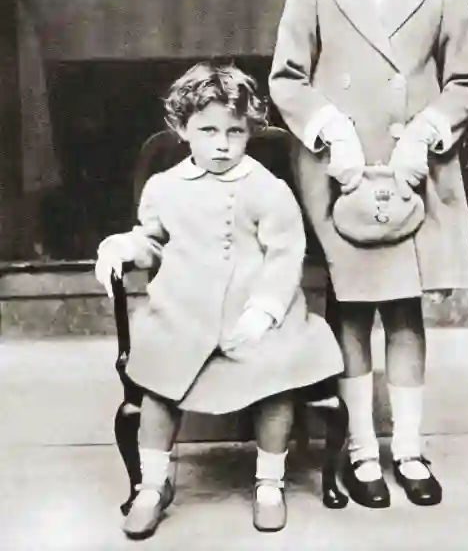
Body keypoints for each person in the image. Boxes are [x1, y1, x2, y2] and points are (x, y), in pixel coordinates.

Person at [269, 0, 468, 509]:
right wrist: (329, 130)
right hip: (345, 177)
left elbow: (466, 83)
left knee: (406, 314)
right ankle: (363, 448)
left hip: (412, 174)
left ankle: (410, 448)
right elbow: (288, 78)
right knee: (353, 312)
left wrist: (428, 131)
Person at [95, 62, 344, 538]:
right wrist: (124, 246)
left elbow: (285, 253)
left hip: (255, 314)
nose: (223, 144)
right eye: (207, 130)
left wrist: (266, 310)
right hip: (185, 312)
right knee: (158, 383)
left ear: (250, 131)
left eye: (235, 131)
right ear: (182, 128)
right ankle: (152, 484)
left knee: (276, 379)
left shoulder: (268, 190)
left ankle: (269, 482)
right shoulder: (164, 188)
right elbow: (153, 241)